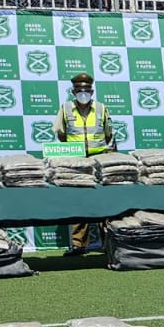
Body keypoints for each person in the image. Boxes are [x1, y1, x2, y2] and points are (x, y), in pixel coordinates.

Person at [54, 71, 111, 254]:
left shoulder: (102, 108)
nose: (83, 93)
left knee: (104, 201)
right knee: (79, 201)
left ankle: (107, 241)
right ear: (73, 92)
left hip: (99, 159)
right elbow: (61, 134)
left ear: (92, 92)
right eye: (79, 90)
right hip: (76, 161)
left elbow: (108, 134)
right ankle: (79, 245)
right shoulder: (65, 109)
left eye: (86, 90)